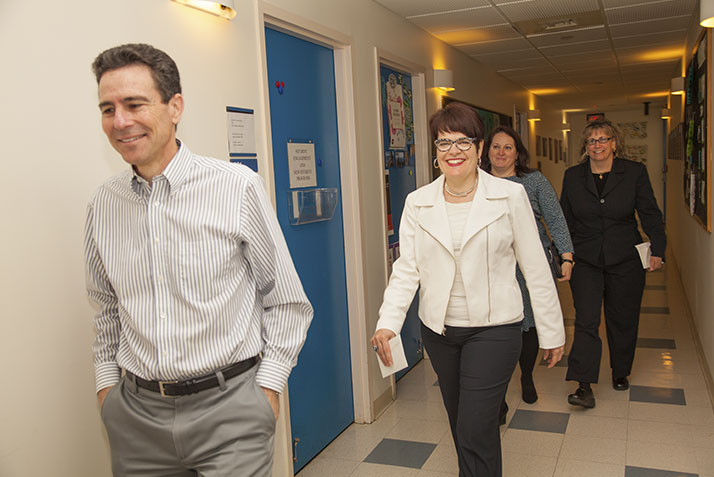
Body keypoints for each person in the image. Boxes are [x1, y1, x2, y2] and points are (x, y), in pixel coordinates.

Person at [85, 43, 313, 476]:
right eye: (107, 108)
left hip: (232, 412)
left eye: (134, 104)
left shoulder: (235, 188)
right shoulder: (103, 205)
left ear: (175, 107)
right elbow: (107, 310)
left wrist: (267, 388)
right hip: (136, 419)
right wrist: (106, 392)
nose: (120, 121)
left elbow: (286, 301)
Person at [371, 102, 565, 477]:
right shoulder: (418, 202)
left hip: (495, 329)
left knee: (476, 427)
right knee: (463, 424)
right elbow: (407, 269)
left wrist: (551, 329)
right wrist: (388, 322)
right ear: (435, 152)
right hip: (440, 332)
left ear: (479, 149)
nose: (453, 151)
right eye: (444, 143)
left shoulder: (508, 197)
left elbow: (535, 265)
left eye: (463, 142)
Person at [560, 118, 665, 409]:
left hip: (625, 259)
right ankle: (583, 385)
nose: (598, 145)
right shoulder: (573, 176)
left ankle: (620, 371)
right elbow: (564, 219)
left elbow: (650, 213)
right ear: (586, 146)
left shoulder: (633, 173)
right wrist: (564, 255)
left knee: (623, 318)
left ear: (615, 143)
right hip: (586, 259)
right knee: (587, 320)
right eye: (592, 141)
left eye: (603, 139)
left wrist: (658, 248)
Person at [481, 126, 574, 419]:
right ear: (487, 151)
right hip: (490, 267)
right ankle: (497, 396)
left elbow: (555, 218)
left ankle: (527, 377)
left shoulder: (533, 182)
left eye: (507, 148)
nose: (500, 153)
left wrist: (567, 256)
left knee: (528, 326)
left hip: (528, 266)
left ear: (517, 153)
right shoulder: (476, 181)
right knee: (495, 330)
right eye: (496, 147)